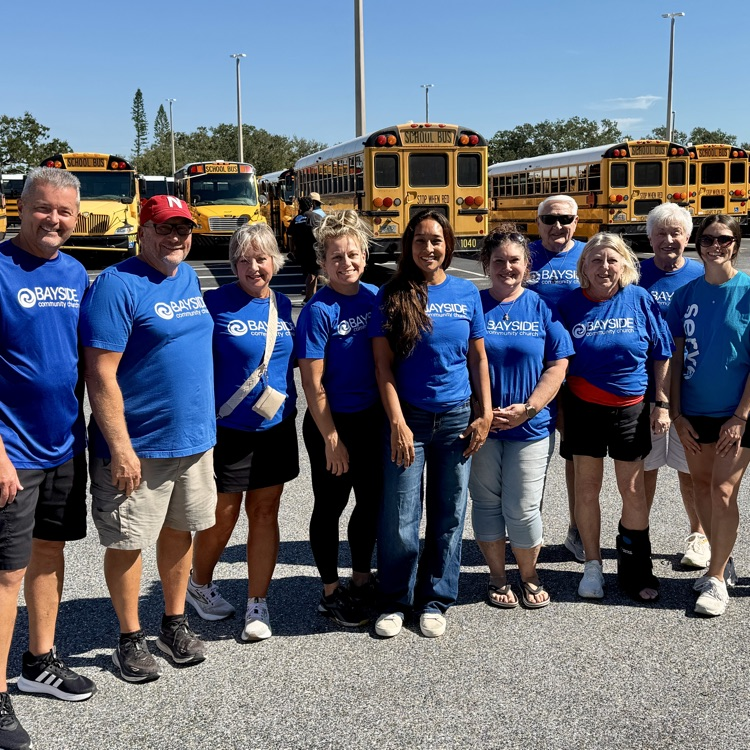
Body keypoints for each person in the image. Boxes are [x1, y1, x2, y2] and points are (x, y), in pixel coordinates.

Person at [81, 195, 216, 683]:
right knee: (129, 540)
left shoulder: (187, 276)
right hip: (141, 446)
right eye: (164, 228)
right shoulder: (116, 286)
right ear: (143, 230)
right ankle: (128, 640)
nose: (175, 237)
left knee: (181, 531)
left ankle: (172, 625)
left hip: (194, 441)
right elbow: (100, 375)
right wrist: (120, 447)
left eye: (183, 228)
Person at [0, 168, 94, 750]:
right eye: (44, 209)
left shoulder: (76, 272)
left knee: (48, 554)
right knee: (5, 573)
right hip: (12, 451)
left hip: (64, 444)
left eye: (64, 212)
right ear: (20, 206)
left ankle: (39, 663)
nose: (54, 220)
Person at [369, 210, 492, 638]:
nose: (429, 249)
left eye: (437, 241)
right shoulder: (391, 294)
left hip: (457, 419)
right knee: (401, 517)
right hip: (410, 420)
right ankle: (395, 601)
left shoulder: (466, 292)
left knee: (449, 514)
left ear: (449, 246)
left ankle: (436, 598)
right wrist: (398, 422)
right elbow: (382, 367)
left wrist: (485, 412)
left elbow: (478, 357)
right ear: (409, 246)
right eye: (420, 241)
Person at [188, 223, 298, 641]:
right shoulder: (213, 303)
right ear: (233, 263)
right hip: (228, 427)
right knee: (224, 513)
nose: (254, 266)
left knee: (265, 512)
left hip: (275, 426)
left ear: (275, 261)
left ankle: (258, 603)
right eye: (245, 259)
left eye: (262, 258)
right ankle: (199, 583)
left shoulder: (284, 304)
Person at [557, 233, 673, 602]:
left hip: (632, 409)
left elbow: (662, 352)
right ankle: (592, 566)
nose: (604, 267)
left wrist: (663, 402)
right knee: (587, 490)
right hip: (583, 408)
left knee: (633, 491)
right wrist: (558, 409)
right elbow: (557, 361)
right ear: (584, 268)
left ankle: (636, 567)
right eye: (596, 260)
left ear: (624, 264)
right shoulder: (569, 304)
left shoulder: (639, 299)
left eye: (612, 260)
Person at [469, 226, 573, 609]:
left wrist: (529, 408)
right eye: (499, 261)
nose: (507, 268)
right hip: (481, 427)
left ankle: (529, 574)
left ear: (527, 265)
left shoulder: (543, 307)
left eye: (515, 260)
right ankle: (498, 576)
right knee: (486, 502)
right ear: (485, 264)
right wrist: (480, 411)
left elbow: (558, 363)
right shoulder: (472, 303)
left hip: (531, 426)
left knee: (523, 505)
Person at [296, 210, 381, 627]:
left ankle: (362, 580)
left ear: (364, 255)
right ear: (322, 262)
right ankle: (330, 590)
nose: (345, 263)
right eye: (336, 257)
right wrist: (332, 438)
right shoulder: (318, 310)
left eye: (352, 254)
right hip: (330, 423)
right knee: (330, 505)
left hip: (370, 421)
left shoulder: (376, 297)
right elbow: (313, 385)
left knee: (370, 503)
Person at [667, 215, 750, 616]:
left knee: (722, 491)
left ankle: (716, 580)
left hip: (736, 414)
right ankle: (722, 560)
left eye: (724, 239)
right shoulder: (685, 295)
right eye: (708, 239)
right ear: (697, 245)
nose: (715, 245)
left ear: (736, 243)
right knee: (700, 487)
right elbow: (677, 358)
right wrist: (677, 412)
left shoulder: (748, 290)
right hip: (693, 412)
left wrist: (741, 416)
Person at [640, 204, 706, 567]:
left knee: (690, 470)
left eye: (676, 232)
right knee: (644, 469)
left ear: (687, 237)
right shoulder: (634, 274)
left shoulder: (700, 275)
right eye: (661, 233)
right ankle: (640, 532)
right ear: (649, 237)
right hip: (643, 390)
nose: (668, 240)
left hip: (691, 390)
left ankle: (698, 536)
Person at [528, 195, 586, 563]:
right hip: (532, 369)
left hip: (579, 368)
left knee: (576, 454)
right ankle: (525, 531)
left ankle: (577, 528)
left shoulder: (587, 254)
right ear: (538, 222)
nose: (557, 226)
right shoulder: (524, 254)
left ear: (576, 221)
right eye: (549, 219)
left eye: (565, 219)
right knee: (530, 451)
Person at [288, 195, 326, 302]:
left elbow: (290, 236)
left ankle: (311, 297)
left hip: (301, 251)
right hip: (314, 250)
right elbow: (324, 233)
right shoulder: (316, 217)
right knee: (316, 274)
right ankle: (310, 298)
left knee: (311, 274)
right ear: (311, 205)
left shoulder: (296, 219)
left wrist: (292, 251)